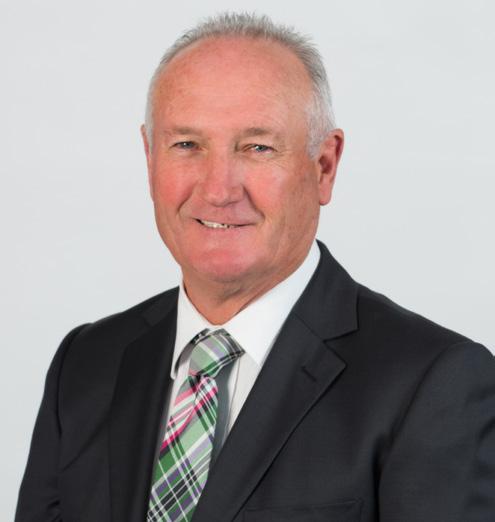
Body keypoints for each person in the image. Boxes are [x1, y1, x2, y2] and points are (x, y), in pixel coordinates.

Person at [15, 12, 495, 522]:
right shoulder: (87, 364)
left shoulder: (434, 385)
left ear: (324, 166)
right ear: (150, 158)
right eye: (187, 145)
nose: (219, 189)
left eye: (257, 147)